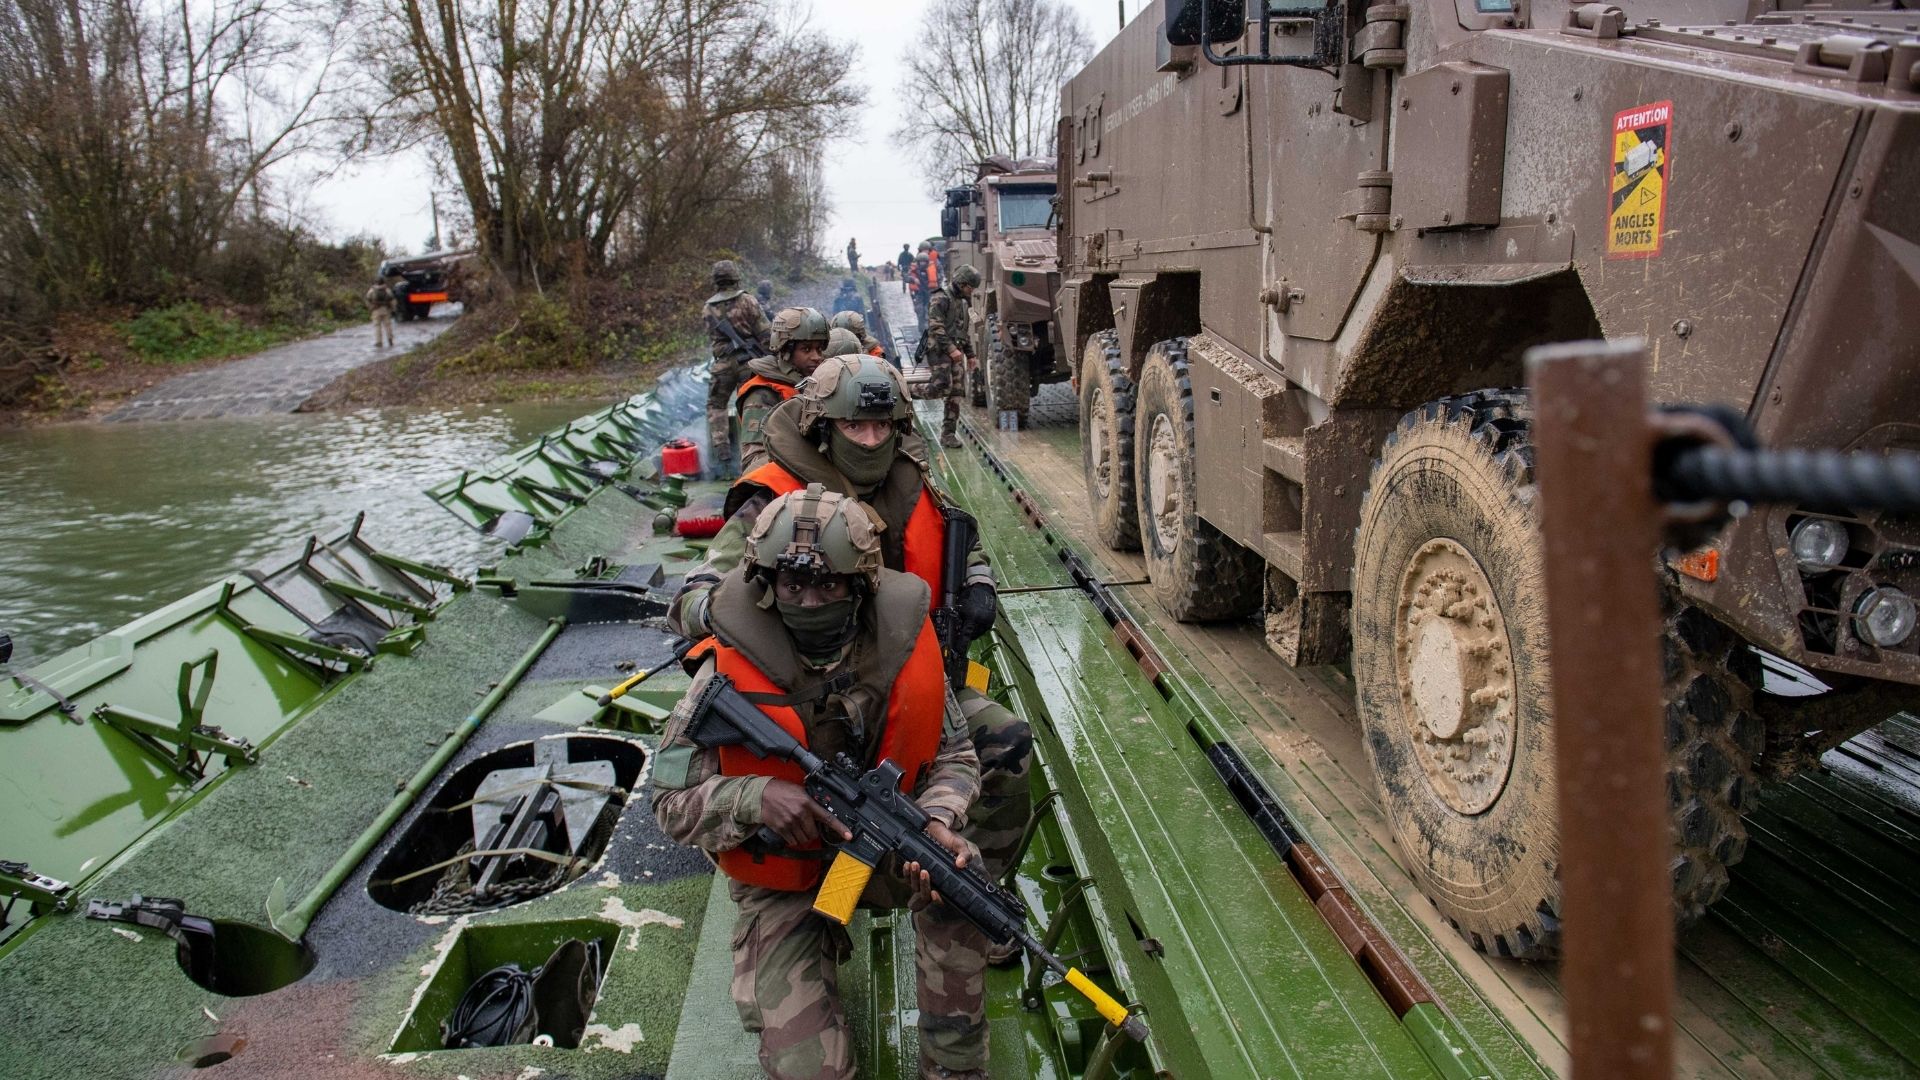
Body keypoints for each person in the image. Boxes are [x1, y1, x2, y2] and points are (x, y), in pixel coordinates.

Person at [669, 355, 1033, 918]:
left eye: (883, 426)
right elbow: (696, 598)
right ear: (822, 427)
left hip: (902, 674)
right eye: (853, 427)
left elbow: (966, 542)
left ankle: (956, 897)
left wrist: (978, 584)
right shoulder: (773, 499)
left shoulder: (910, 482)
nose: (870, 440)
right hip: (801, 691)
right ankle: (817, 904)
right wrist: (787, 607)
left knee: (1004, 741)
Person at [652, 485, 991, 1080]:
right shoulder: (724, 674)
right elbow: (666, 804)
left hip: (878, 852)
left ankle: (956, 1067)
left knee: (962, 885)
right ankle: (805, 948)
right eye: (793, 587)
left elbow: (956, 753)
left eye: (830, 586)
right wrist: (755, 797)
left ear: (860, 586)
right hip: (784, 875)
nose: (810, 601)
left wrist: (939, 820)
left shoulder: (905, 645)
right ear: (765, 587)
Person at [735, 307, 829, 472]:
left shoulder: (813, 383)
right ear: (786, 351)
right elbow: (753, 460)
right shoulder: (762, 394)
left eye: (819, 349)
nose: (816, 357)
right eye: (806, 349)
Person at [703, 260, 773, 476]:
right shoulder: (747, 301)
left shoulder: (708, 308)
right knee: (750, 404)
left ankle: (722, 448)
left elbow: (713, 336)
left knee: (716, 404)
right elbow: (765, 334)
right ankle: (752, 450)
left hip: (722, 363)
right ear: (735, 277)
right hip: (747, 363)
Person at [923, 263, 981, 448]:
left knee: (956, 393)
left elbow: (963, 331)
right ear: (961, 283)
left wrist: (970, 355)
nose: (971, 292)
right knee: (939, 388)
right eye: (969, 287)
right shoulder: (940, 298)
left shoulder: (963, 302)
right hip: (939, 352)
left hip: (955, 352)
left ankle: (948, 435)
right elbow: (936, 327)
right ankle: (905, 392)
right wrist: (951, 349)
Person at [365, 278, 395, 347]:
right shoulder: (387, 290)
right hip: (386, 310)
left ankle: (379, 342)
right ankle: (390, 339)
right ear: (383, 282)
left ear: (376, 282)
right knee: (388, 326)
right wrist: (392, 309)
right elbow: (392, 300)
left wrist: (370, 308)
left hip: (376, 310)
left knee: (377, 326)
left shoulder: (372, 290)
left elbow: (368, 300)